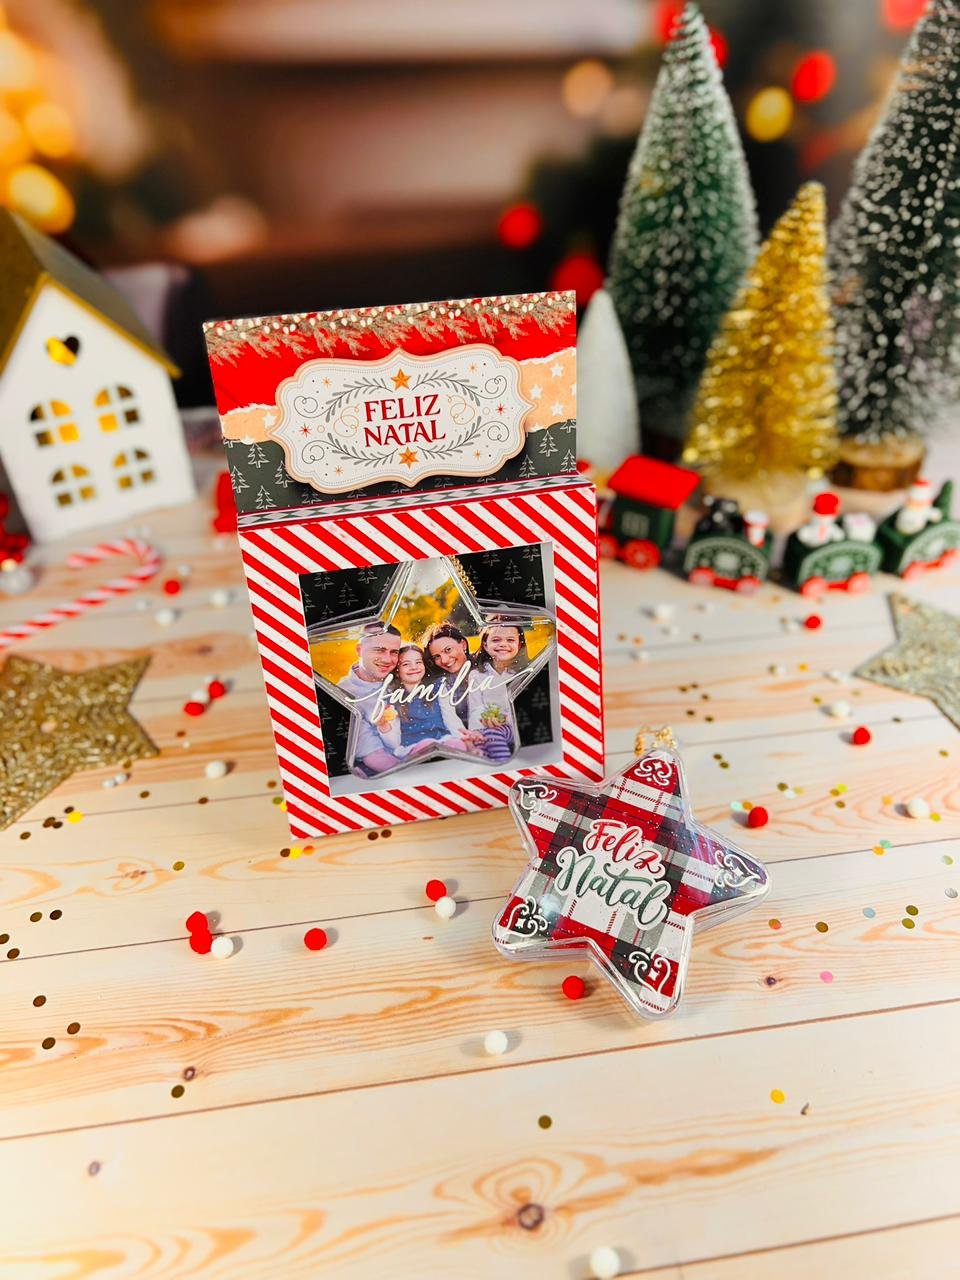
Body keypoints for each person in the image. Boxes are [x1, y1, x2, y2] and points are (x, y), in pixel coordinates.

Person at [336, 622, 430, 776]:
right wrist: (415, 776)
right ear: (359, 650)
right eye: (379, 650)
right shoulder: (346, 694)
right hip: (393, 769)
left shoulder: (401, 673)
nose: (387, 660)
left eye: (394, 652)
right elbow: (373, 754)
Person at [377, 645, 478, 758]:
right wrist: (384, 726)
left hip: (443, 741)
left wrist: (464, 739)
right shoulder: (392, 696)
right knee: (427, 745)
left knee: (457, 744)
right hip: (412, 747)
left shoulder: (438, 687)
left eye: (418, 662)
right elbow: (394, 743)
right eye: (406, 664)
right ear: (396, 671)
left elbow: (451, 718)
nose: (414, 667)